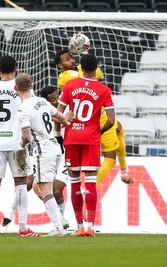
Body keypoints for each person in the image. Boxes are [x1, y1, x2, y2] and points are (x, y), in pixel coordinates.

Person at [0, 55, 39, 237]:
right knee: (20, 183)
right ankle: (23, 228)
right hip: (18, 143)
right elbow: (33, 115)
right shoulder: (23, 89)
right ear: (16, 68)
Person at [55, 49, 134, 185]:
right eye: (67, 59)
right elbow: (94, 74)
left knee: (120, 129)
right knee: (109, 159)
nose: (72, 60)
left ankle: (124, 169)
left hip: (95, 114)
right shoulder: (66, 76)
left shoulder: (78, 70)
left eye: (72, 57)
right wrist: (85, 59)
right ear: (60, 66)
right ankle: (91, 188)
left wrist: (85, 53)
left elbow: (97, 73)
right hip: (94, 120)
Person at [57, 54, 115, 237]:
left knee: (74, 181)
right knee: (90, 181)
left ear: (81, 68)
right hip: (91, 138)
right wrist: (98, 131)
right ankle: (90, 225)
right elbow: (111, 120)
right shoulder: (104, 89)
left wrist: (63, 125)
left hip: (72, 137)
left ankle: (79, 225)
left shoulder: (69, 85)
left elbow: (57, 113)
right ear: (96, 68)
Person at [15, 73, 72, 237]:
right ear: (32, 86)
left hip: (42, 150)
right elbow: (61, 117)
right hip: (55, 149)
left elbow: (26, 134)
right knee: (36, 187)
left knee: (45, 189)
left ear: (16, 89)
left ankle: (59, 227)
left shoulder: (23, 108)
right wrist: (69, 124)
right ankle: (60, 222)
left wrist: (23, 143)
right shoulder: (42, 101)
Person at [39, 85, 70, 229]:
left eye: (57, 97)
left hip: (63, 154)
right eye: (53, 99)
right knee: (36, 188)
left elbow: (65, 124)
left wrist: (61, 120)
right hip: (44, 154)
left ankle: (61, 222)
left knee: (57, 190)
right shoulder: (41, 113)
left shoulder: (66, 110)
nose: (56, 100)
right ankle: (60, 221)